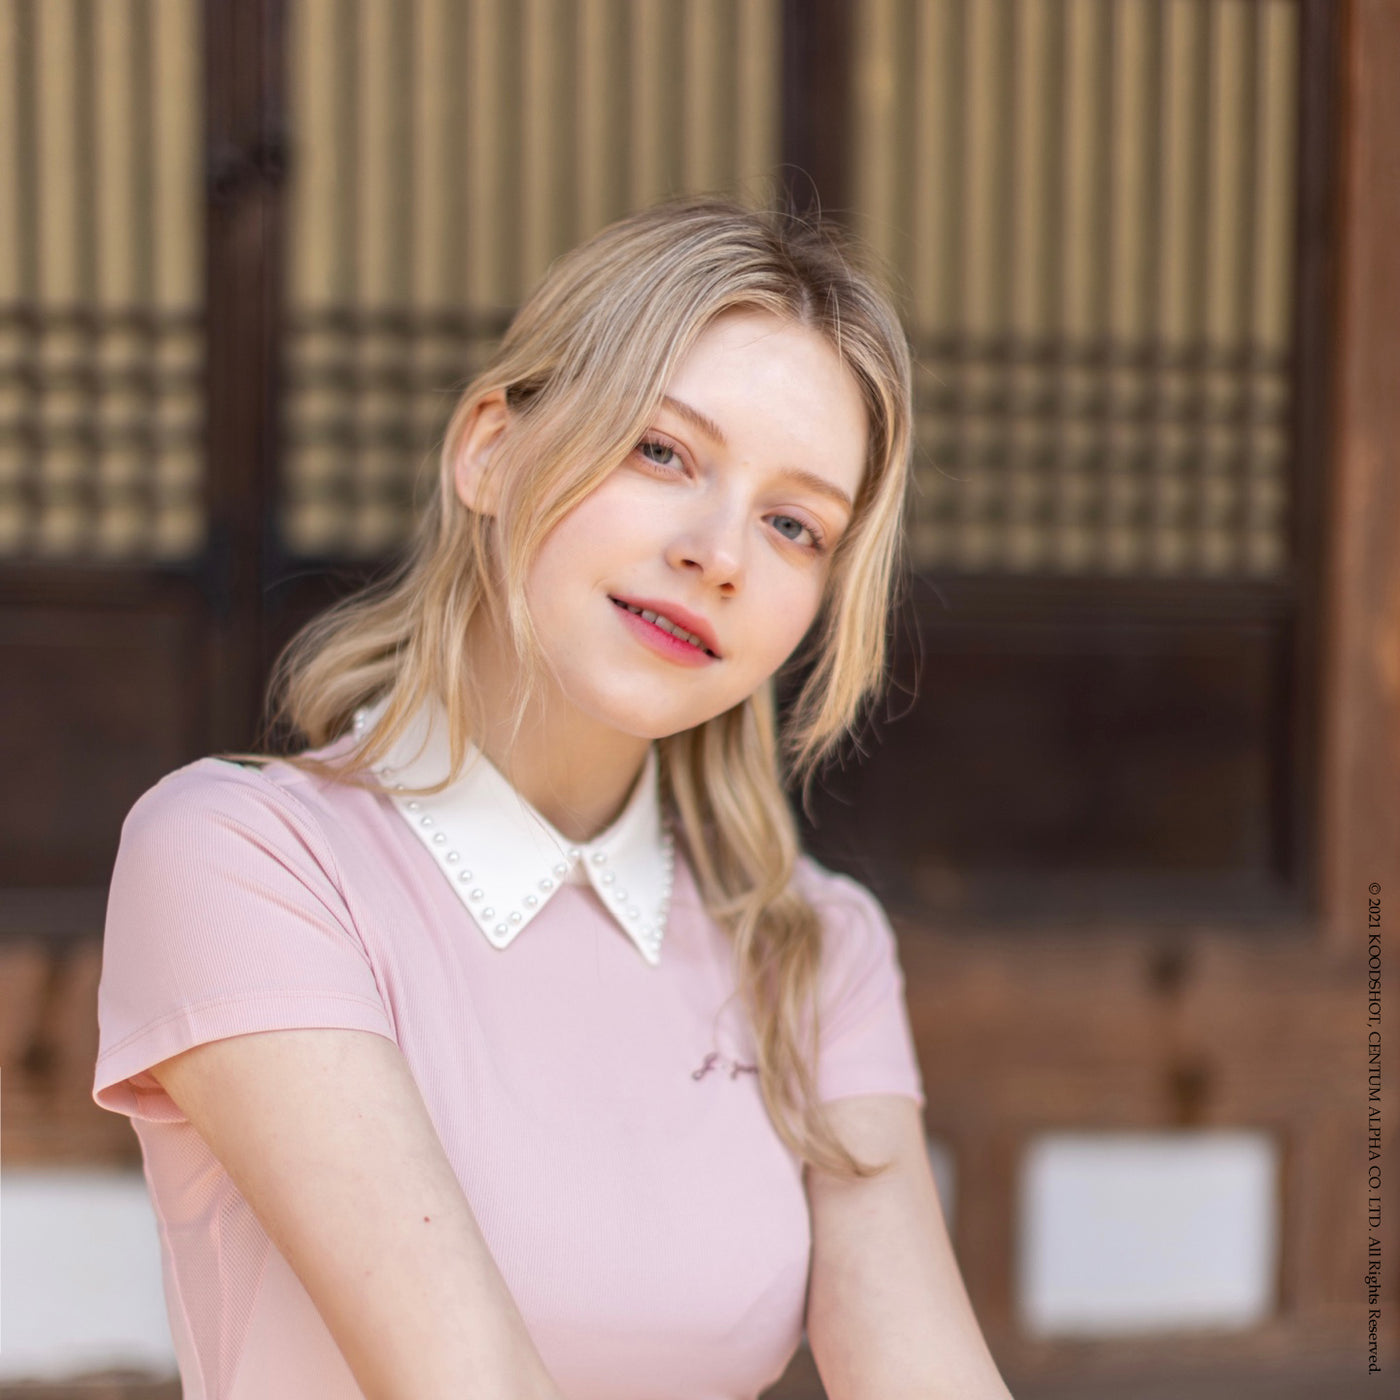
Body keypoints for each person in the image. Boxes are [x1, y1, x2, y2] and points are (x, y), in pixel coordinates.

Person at [92, 194, 1015, 1400]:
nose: (719, 551)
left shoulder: (812, 947)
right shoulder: (246, 856)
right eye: (662, 450)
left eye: (793, 524)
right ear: (487, 446)